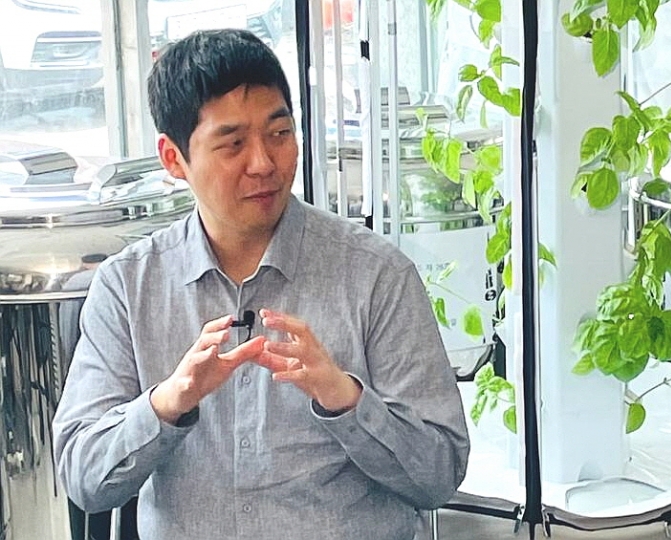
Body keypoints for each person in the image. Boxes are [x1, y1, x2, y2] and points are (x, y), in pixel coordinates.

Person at [53, 28, 469, 540]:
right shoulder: (128, 286)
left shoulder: (376, 274)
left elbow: (440, 474)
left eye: (279, 133)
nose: (264, 163)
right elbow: (84, 479)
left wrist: (345, 399)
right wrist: (169, 401)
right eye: (233, 144)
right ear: (173, 159)